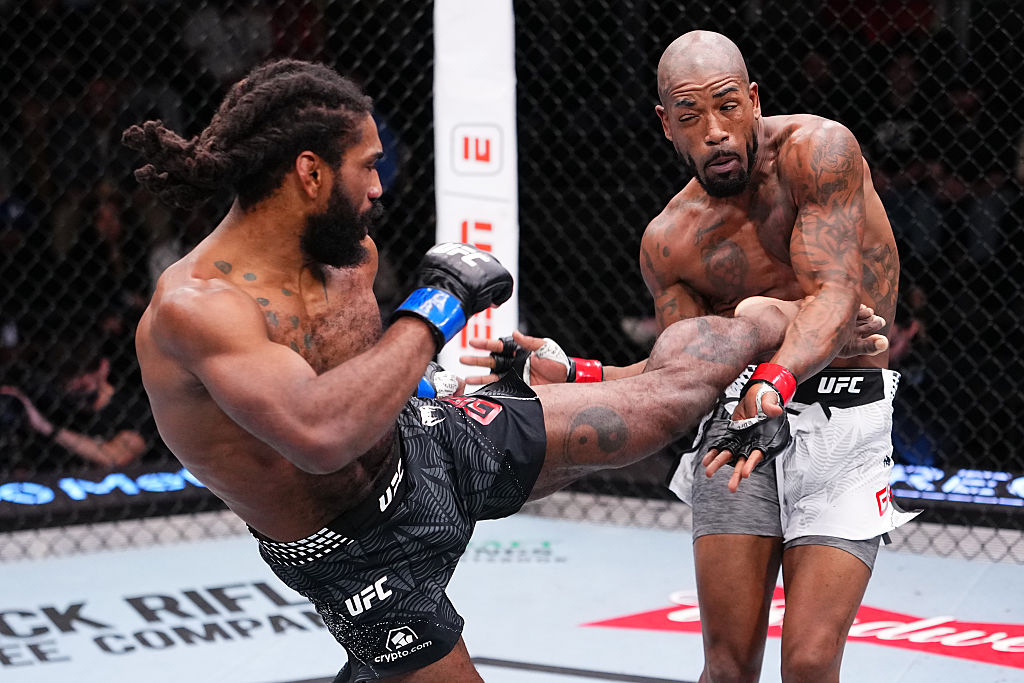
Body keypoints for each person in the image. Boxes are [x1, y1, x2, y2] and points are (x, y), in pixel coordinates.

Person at [125, 58, 885, 682]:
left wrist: (783, 332)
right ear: (310, 173)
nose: (381, 188)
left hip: (428, 442)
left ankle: (766, 319)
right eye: (368, 167)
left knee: (667, 400)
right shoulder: (198, 309)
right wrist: (436, 309)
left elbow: (359, 376)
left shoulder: (349, 253)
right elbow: (318, 434)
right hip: (357, 549)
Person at [468, 30, 919, 683]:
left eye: (728, 106)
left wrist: (772, 379)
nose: (714, 132)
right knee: (727, 667)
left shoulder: (819, 153)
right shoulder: (670, 242)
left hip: (840, 418)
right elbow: (683, 374)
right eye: (690, 116)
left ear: (754, 100)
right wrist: (573, 374)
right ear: (665, 124)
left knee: (810, 661)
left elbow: (836, 295)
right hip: (736, 427)